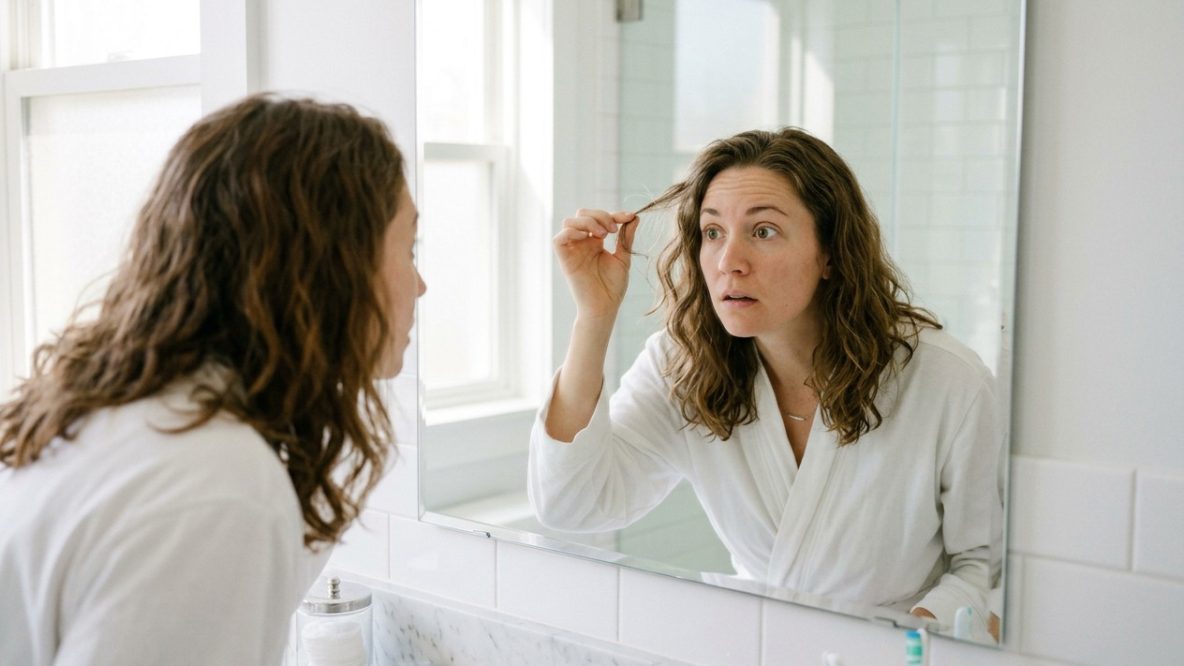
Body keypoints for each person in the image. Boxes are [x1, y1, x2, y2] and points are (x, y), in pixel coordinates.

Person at [0, 94, 425, 664]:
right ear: (332, 266)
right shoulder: (217, 488)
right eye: (409, 247)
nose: (419, 285)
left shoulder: (116, 418)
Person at [528, 127, 1003, 635]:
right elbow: (572, 504)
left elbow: (988, 564)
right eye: (713, 233)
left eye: (763, 231)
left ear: (830, 253)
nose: (730, 261)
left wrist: (899, 641)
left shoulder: (944, 379)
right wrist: (594, 317)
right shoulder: (686, 365)